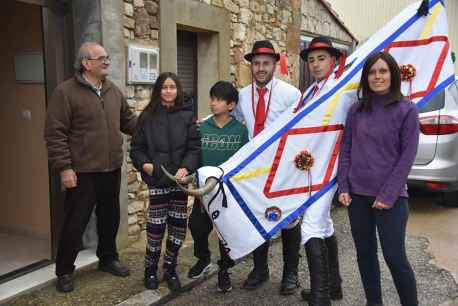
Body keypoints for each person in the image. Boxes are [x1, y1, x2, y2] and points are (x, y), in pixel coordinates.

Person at [45, 42, 137, 293]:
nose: (107, 61)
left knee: (110, 217)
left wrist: (156, 125)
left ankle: (107, 258)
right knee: (75, 221)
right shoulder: (65, 92)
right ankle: (64, 270)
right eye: (102, 58)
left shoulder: (112, 90)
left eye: (107, 57)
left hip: (110, 168)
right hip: (82, 171)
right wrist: (64, 168)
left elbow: (129, 121)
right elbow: (55, 134)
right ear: (86, 63)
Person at [337, 52, 419, 306]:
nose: (377, 76)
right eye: (372, 72)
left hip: (391, 199)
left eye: (383, 71)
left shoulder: (406, 110)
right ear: (366, 77)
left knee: (395, 258)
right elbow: (346, 149)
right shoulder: (356, 110)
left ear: (393, 74)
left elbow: (407, 157)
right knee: (365, 255)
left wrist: (387, 195)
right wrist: (343, 186)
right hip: (357, 197)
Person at [234, 40, 302, 295]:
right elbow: (233, 120)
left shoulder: (291, 94)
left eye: (266, 63)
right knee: (258, 218)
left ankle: (291, 273)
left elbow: (300, 130)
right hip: (255, 170)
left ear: (275, 64)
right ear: (251, 66)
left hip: (284, 168)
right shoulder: (241, 95)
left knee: (289, 220)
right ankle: (260, 270)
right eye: (256, 64)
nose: (260, 68)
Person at [130, 72, 201, 292]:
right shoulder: (147, 117)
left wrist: (187, 167)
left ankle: (170, 268)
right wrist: (145, 164)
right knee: (156, 228)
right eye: (164, 87)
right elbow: (136, 148)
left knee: (178, 228)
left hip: (179, 182)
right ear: (158, 90)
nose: (168, 91)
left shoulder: (188, 116)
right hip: (158, 180)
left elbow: (195, 147)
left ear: (178, 90)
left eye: (172, 87)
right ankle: (150, 269)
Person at [187, 81, 249, 293]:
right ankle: (203, 258)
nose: (213, 103)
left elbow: (243, 163)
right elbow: (195, 157)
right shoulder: (202, 127)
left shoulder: (241, 131)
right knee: (196, 225)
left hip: (227, 194)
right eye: (212, 98)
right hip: (203, 191)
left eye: (219, 99)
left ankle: (224, 270)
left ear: (231, 105)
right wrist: (194, 183)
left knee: (225, 234)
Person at [298, 36, 344, 305]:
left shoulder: (342, 87)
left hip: (332, 167)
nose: (315, 64)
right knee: (324, 224)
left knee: (311, 226)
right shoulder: (308, 92)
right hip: (311, 169)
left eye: (321, 58)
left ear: (334, 60)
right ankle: (332, 287)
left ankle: (320, 297)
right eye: (312, 60)